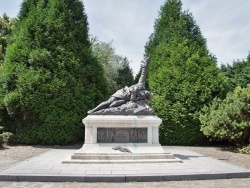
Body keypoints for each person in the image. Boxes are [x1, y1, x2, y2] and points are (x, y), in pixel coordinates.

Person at [88, 56, 152, 114]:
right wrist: (145, 66)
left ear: (146, 96)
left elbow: (133, 101)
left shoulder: (141, 99)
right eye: (148, 92)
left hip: (126, 99)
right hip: (122, 92)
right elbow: (143, 75)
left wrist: (134, 93)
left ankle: (111, 108)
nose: (146, 92)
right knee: (108, 102)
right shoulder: (141, 85)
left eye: (147, 94)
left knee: (112, 105)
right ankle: (94, 110)